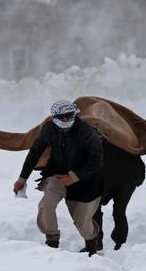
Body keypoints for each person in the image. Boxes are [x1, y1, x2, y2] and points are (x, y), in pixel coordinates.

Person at [13, 100, 103, 256]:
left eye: (70, 116)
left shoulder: (88, 133)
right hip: (57, 175)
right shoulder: (48, 130)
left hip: (85, 181)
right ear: (54, 117)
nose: (67, 120)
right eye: (63, 117)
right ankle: (52, 243)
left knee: (83, 224)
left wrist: (74, 177)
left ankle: (91, 245)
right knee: (47, 205)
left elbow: (96, 162)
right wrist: (22, 179)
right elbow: (34, 153)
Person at [80, 141, 145, 252]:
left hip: (112, 179)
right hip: (129, 178)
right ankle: (120, 244)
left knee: (95, 210)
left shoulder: (93, 139)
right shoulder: (122, 136)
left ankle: (96, 242)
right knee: (119, 211)